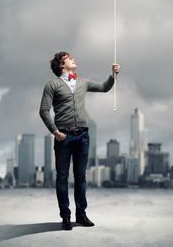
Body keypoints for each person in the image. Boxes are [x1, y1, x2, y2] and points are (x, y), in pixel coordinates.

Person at [39, 51, 120, 230]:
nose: (73, 58)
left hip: (83, 136)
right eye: (69, 57)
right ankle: (65, 217)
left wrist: (113, 74)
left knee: (81, 177)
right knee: (62, 178)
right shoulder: (52, 85)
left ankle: (81, 214)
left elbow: (105, 87)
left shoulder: (83, 81)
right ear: (61, 64)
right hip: (63, 136)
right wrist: (55, 132)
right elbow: (44, 110)